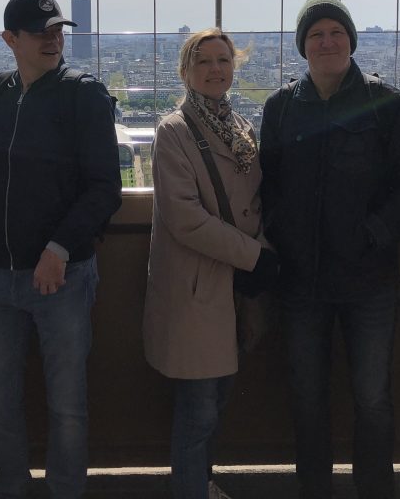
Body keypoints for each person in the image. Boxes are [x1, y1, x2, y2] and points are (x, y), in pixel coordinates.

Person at [259, 0, 400, 499]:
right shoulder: (280, 107)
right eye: (316, 34)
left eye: (336, 32)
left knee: (372, 398)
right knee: (307, 399)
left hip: (367, 280)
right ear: (302, 46)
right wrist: (284, 231)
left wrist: (376, 232)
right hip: (301, 281)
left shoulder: (388, 104)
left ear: (352, 41)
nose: (327, 41)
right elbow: (267, 184)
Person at [0, 0, 122, 499]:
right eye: (41, 32)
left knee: (67, 403)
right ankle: (12, 487)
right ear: (9, 39)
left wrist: (59, 248)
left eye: (59, 30)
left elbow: (105, 187)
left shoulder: (84, 94)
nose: (54, 39)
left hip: (62, 273)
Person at [143, 28, 279, 499]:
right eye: (204, 61)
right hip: (199, 290)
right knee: (199, 409)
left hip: (227, 289)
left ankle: (197, 484)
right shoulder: (173, 131)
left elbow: (254, 202)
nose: (216, 69)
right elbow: (185, 218)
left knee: (214, 403)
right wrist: (257, 255)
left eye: (223, 60)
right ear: (186, 72)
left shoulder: (239, 128)